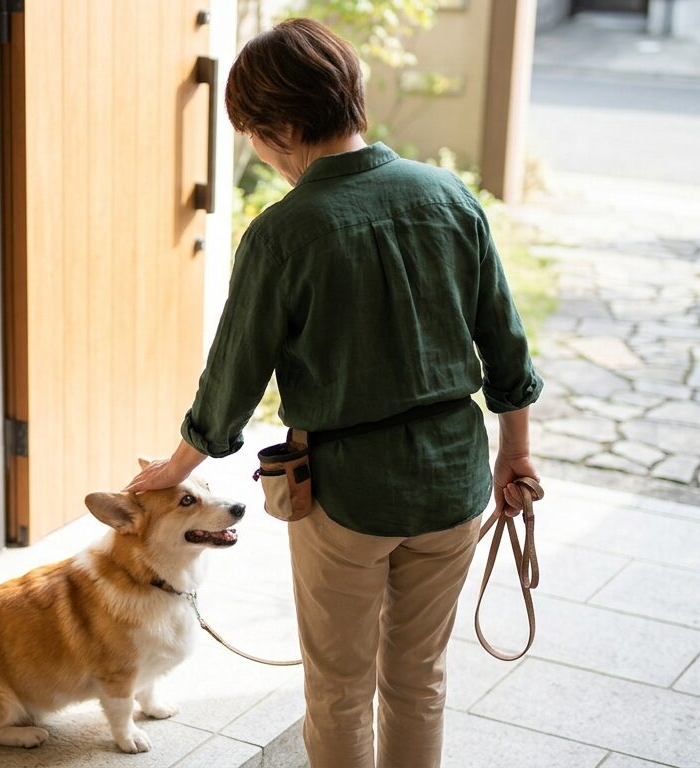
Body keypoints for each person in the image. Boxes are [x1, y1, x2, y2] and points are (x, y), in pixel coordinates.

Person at [125, 17, 543, 768]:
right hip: (453, 482)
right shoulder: (449, 194)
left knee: (340, 689)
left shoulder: (284, 234)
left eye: (255, 135)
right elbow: (507, 349)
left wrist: (175, 468)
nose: (260, 151)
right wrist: (516, 455)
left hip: (347, 494)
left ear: (283, 128)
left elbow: (231, 382)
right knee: (419, 678)